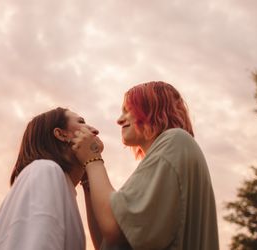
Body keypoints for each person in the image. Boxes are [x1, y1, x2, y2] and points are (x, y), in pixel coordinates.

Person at [72, 81, 219, 250]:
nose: (119, 120)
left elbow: (114, 227)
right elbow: (108, 242)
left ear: (153, 108)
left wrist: (93, 157)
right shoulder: (171, 152)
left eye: (128, 111)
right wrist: (88, 179)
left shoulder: (175, 141)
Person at [0, 107, 101, 250]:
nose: (94, 130)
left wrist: (89, 173)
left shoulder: (61, 185)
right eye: (81, 122)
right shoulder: (45, 171)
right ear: (61, 134)